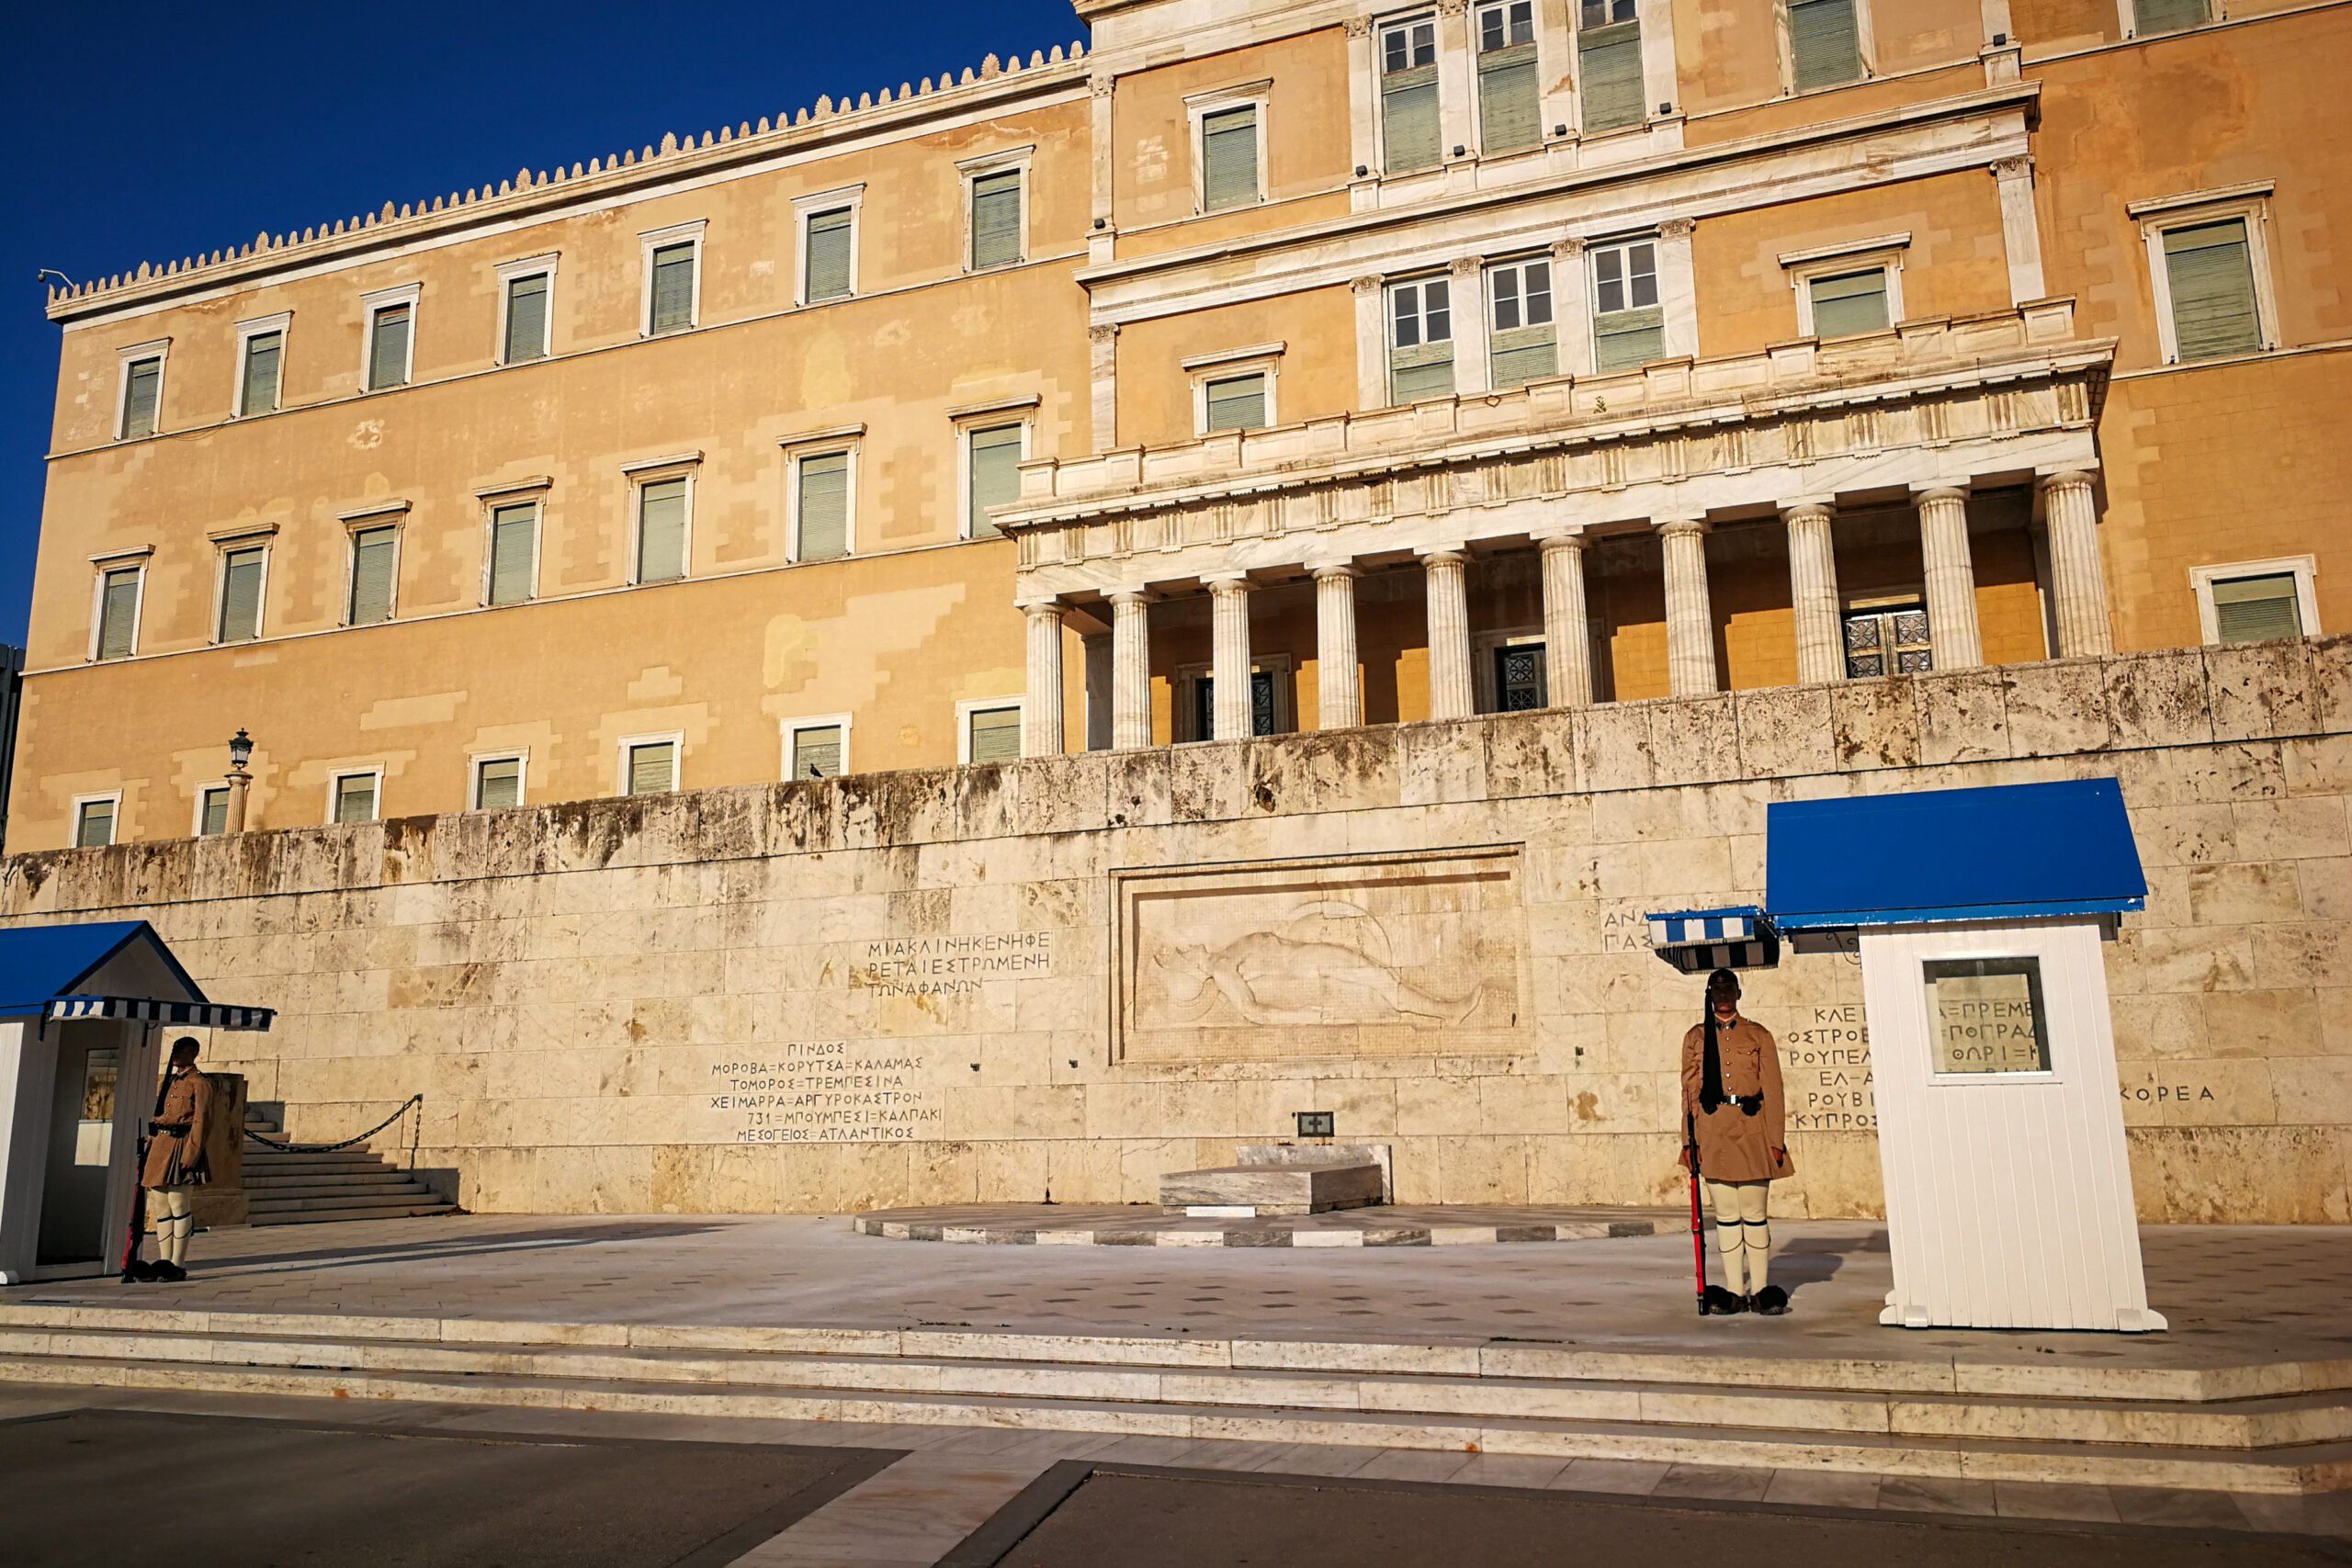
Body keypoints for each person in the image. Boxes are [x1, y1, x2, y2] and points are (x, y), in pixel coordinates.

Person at [1679, 968, 1792, 1316]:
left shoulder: (1758, 1035)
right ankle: (1734, 1291)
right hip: (1712, 1131)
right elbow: (1689, 1091)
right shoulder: (1696, 1037)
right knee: (1727, 1217)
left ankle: (1760, 1290)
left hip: (1752, 1128)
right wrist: (1688, 1141)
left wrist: (1775, 1138)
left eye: (1729, 990)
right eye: (1718, 992)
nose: (1724, 997)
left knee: (1755, 1214)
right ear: (1710, 996)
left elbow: (1773, 1089)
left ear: (1739, 994)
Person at [136, 1037, 215, 1283]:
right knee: (161, 1206)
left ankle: (177, 1263)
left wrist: (192, 1153)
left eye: (180, 1050)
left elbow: (202, 1120)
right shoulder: (170, 1081)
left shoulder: (199, 1083)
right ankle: (164, 1261)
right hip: (161, 1144)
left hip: (182, 1145)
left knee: (179, 1205)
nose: (176, 1055)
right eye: (175, 1050)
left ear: (193, 1053)